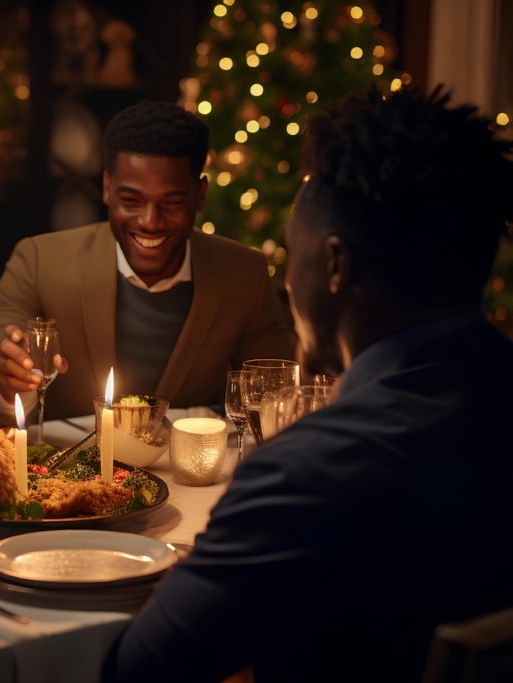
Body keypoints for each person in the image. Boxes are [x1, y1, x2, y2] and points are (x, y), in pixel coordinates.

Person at [107, 88, 513, 682]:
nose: (286, 281)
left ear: (333, 265)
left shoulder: (303, 472)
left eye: (289, 252)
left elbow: (141, 671)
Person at [0, 100, 294, 422]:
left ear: (199, 195)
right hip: (72, 479)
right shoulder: (40, 261)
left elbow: (282, 397)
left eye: (171, 203)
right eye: (131, 200)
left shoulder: (243, 272)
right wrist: (5, 385)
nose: (150, 223)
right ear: (107, 188)